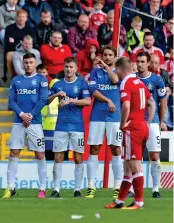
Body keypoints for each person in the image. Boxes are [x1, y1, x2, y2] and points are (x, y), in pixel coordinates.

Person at [105, 57, 155, 210]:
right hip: (142, 126)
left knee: (134, 166)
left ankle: (139, 202)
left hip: (132, 128)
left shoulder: (125, 83)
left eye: (116, 71)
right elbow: (151, 103)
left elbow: (126, 105)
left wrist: (122, 124)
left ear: (120, 70)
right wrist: (147, 122)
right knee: (128, 166)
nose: (115, 74)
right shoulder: (140, 82)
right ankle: (120, 201)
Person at [2, 52, 48, 199]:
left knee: (39, 154)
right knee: (14, 153)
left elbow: (43, 99)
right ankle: (10, 187)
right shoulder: (16, 80)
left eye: (31, 62)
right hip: (18, 121)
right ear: (23, 64)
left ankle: (42, 188)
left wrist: (31, 115)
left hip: (35, 122)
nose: (28, 65)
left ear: (35, 64)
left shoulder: (42, 79)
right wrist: (22, 115)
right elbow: (11, 101)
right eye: (26, 62)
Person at [48, 57, 91, 198]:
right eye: (66, 67)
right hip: (60, 125)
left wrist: (70, 100)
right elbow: (46, 101)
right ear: (63, 67)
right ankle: (56, 189)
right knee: (58, 157)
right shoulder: (57, 84)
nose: (68, 69)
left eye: (71, 67)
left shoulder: (82, 83)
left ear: (76, 68)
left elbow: (88, 101)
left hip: (77, 126)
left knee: (78, 158)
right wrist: (55, 95)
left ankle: (77, 189)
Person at [85, 45, 122, 199]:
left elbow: (115, 80)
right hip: (98, 116)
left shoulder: (119, 72)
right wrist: (107, 100)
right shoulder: (95, 73)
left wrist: (107, 67)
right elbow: (93, 92)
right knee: (94, 149)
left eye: (110, 55)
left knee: (116, 149)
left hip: (115, 118)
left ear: (115, 56)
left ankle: (117, 186)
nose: (107, 57)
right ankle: (91, 186)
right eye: (105, 55)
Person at [136, 52, 167, 198]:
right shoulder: (132, 79)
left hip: (152, 122)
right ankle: (134, 189)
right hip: (135, 122)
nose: (140, 64)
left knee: (154, 155)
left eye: (143, 61)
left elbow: (163, 101)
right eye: (138, 61)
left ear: (148, 63)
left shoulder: (157, 79)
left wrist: (160, 122)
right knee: (135, 157)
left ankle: (155, 189)